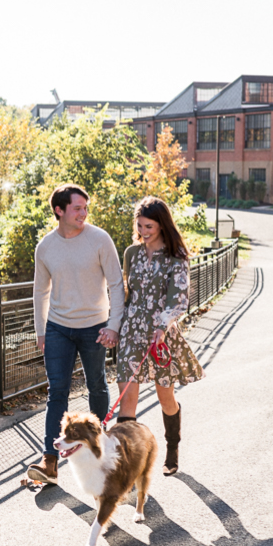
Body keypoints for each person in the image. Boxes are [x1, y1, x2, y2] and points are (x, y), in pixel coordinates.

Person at [27, 184, 125, 484]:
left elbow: (117, 285)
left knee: (96, 385)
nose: (83, 213)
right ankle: (49, 461)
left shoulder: (99, 239)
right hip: (58, 328)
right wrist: (41, 331)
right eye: (77, 208)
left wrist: (113, 325)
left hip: (95, 328)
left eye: (85, 207)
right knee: (57, 391)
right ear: (60, 210)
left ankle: (100, 452)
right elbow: (40, 291)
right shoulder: (45, 247)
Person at [115, 196, 204, 476]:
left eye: (149, 226)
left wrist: (162, 327)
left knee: (165, 397)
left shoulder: (176, 257)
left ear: (162, 225)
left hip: (160, 337)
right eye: (140, 225)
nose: (143, 231)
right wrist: (115, 326)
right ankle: (126, 465)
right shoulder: (131, 253)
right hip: (131, 332)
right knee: (127, 397)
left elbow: (178, 299)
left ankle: (172, 446)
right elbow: (125, 294)